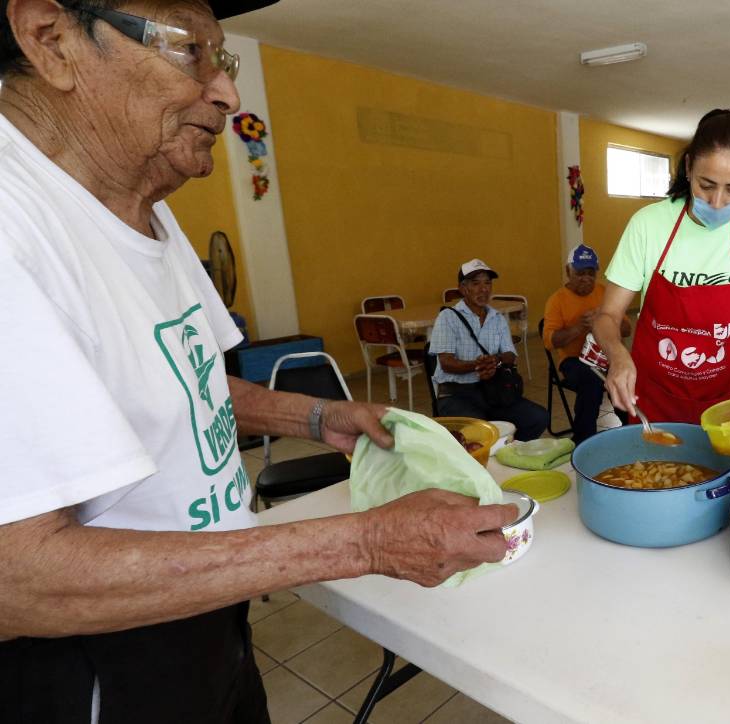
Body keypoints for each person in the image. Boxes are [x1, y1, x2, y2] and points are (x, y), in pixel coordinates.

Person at [0, 3, 515, 721]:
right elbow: (15, 579)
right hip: (100, 661)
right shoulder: (14, 228)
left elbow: (189, 381)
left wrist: (319, 413)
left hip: (212, 613)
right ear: (49, 40)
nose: (225, 92)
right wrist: (364, 542)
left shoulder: (139, 203)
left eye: (225, 58)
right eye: (190, 52)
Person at [592, 109, 730, 487]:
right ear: (689, 167)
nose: (716, 202)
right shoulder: (648, 225)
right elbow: (606, 317)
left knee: (724, 497)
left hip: (728, 404)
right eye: (705, 184)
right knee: (651, 488)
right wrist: (617, 357)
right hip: (655, 398)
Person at [431, 259, 549, 441]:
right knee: (482, 433)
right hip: (457, 394)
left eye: (487, 283)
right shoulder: (448, 318)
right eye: (475, 283)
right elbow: (446, 363)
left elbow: (510, 355)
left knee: (538, 418)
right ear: (463, 288)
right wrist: (477, 366)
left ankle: (507, 453)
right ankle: (489, 456)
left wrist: (495, 361)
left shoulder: (497, 318)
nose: (483, 289)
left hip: (493, 391)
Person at [542, 243, 630, 443]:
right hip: (573, 360)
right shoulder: (556, 300)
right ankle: (584, 439)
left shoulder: (604, 293)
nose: (586, 279)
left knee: (625, 375)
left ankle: (631, 428)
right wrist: (579, 327)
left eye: (591, 273)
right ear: (568, 271)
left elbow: (627, 329)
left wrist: (607, 321)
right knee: (592, 380)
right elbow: (550, 342)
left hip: (605, 357)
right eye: (580, 273)